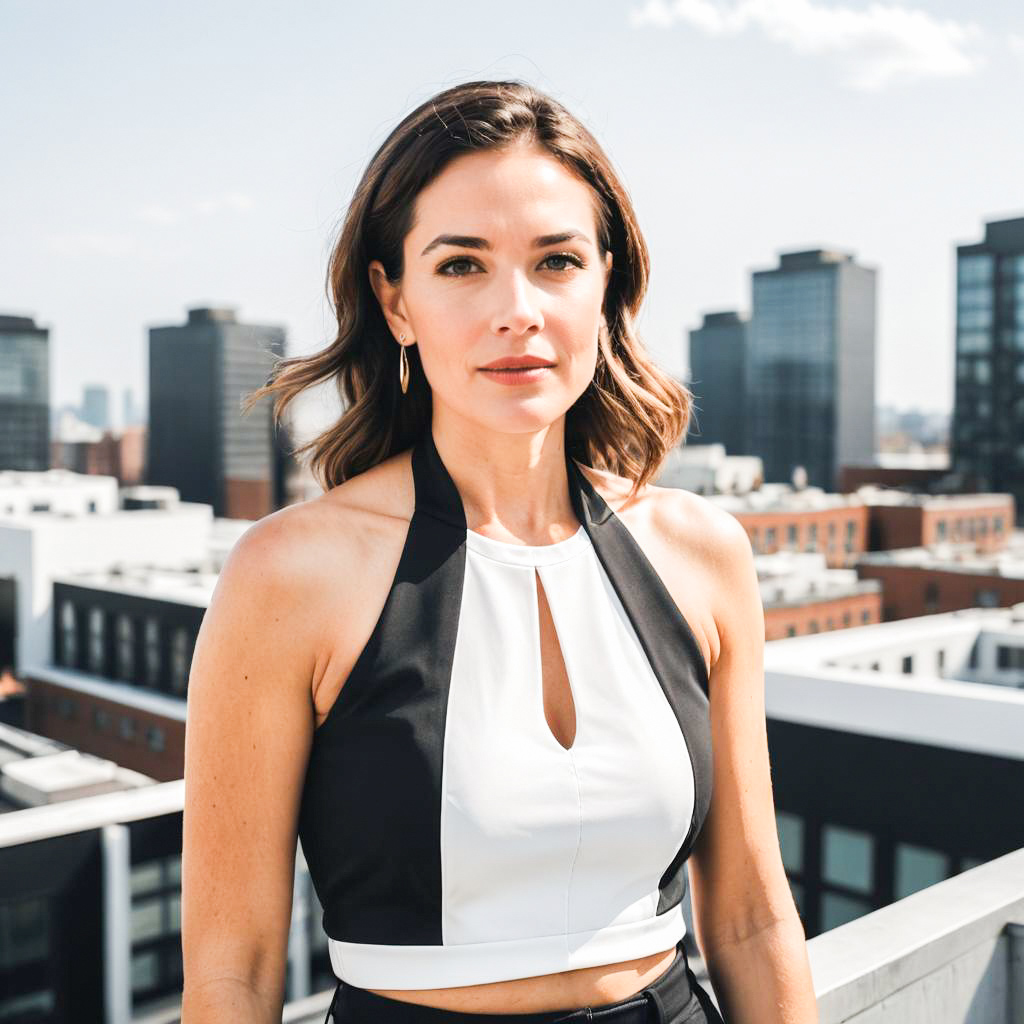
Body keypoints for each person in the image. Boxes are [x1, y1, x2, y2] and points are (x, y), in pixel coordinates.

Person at [180, 79, 818, 1024]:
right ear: (394, 300)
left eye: (556, 261)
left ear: (607, 285)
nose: (516, 309)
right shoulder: (290, 574)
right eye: (461, 266)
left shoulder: (700, 553)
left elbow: (755, 923)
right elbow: (234, 970)